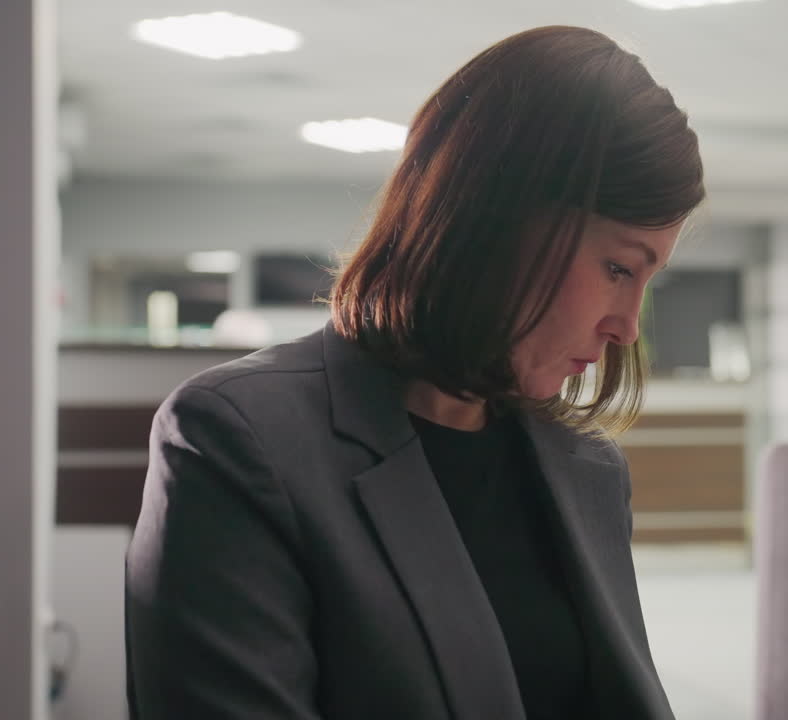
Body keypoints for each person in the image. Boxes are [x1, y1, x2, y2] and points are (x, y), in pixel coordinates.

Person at [125, 25, 704, 720]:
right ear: (493, 222)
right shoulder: (238, 441)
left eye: (647, 282)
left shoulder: (589, 473)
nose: (627, 327)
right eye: (617, 269)